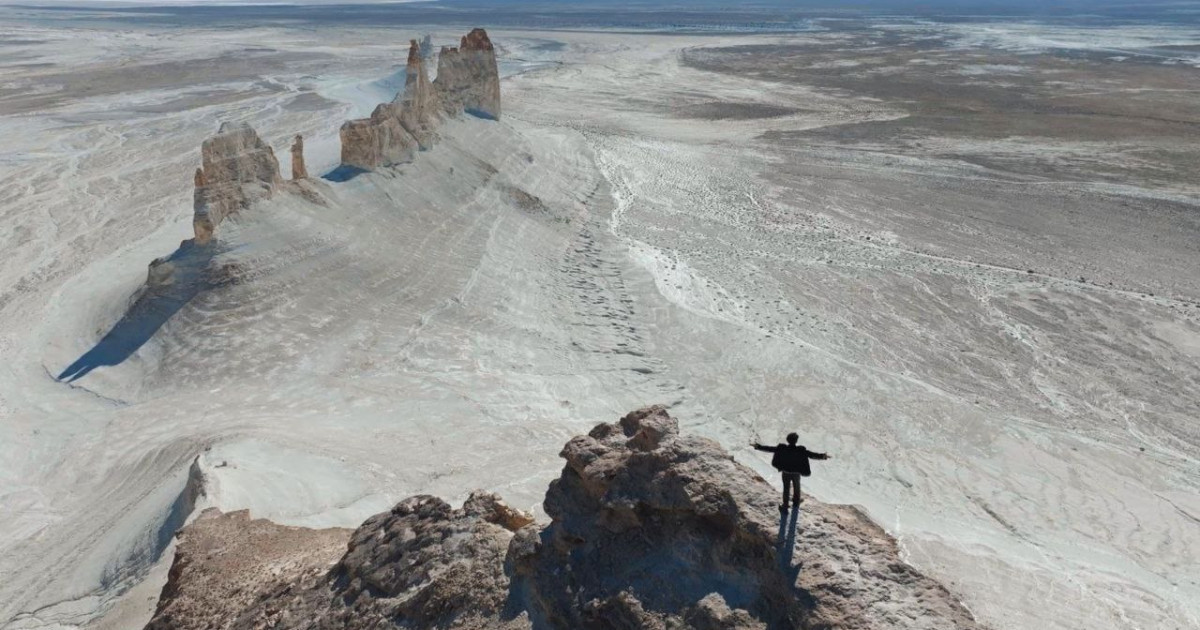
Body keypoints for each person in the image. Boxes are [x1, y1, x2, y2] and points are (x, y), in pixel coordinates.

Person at [752, 433, 830, 513]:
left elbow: (770, 449)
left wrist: (758, 447)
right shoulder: (800, 450)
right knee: (797, 487)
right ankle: (796, 503)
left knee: (786, 488)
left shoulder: (782, 448)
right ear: (796, 441)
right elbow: (812, 455)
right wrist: (823, 456)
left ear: (787, 440)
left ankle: (785, 506)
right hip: (796, 473)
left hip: (786, 472)